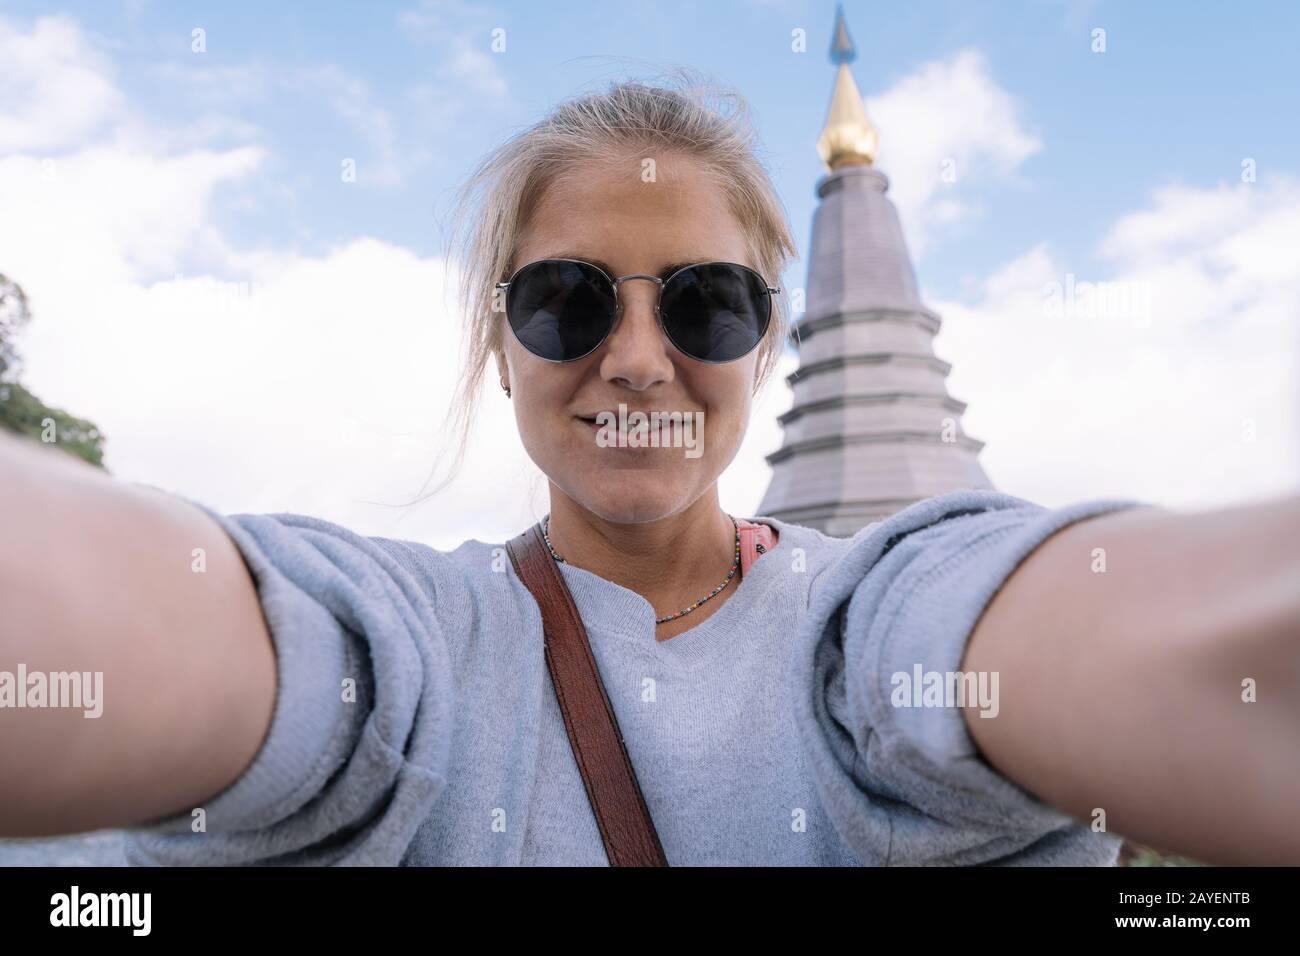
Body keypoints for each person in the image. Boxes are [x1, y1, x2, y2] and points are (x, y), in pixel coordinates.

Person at [1, 78, 1297, 867]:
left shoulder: (878, 624)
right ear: (498, 348)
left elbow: (1046, 625)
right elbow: (243, 638)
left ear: (770, 340)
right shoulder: (424, 645)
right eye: (565, 302)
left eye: (706, 305)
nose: (635, 361)